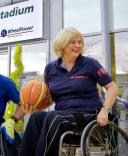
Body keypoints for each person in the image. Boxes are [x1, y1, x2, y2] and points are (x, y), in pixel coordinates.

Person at [18, 27, 119, 156]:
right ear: (62, 44)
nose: (78, 45)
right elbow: (51, 99)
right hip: (63, 116)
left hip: (88, 115)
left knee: (55, 117)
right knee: (36, 117)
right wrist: (34, 107)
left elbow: (112, 87)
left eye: (80, 42)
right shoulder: (50, 69)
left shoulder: (90, 64)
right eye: (73, 42)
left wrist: (105, 110)